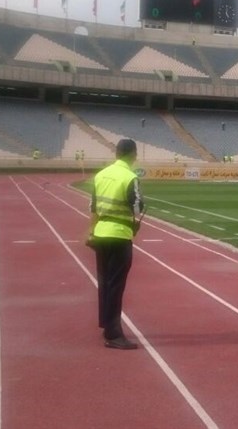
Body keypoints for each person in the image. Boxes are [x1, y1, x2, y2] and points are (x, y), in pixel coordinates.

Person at [87, 138, 145, 350]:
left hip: (101, 233)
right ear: (132, 154)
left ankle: (106, 323)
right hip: (120, 234)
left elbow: (93, 207)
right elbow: (137, 207)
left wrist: (91, 232)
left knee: (104, 282)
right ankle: (113, 333)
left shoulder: (101, 175)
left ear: (117, 153)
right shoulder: (130, 177)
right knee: (116, 285)